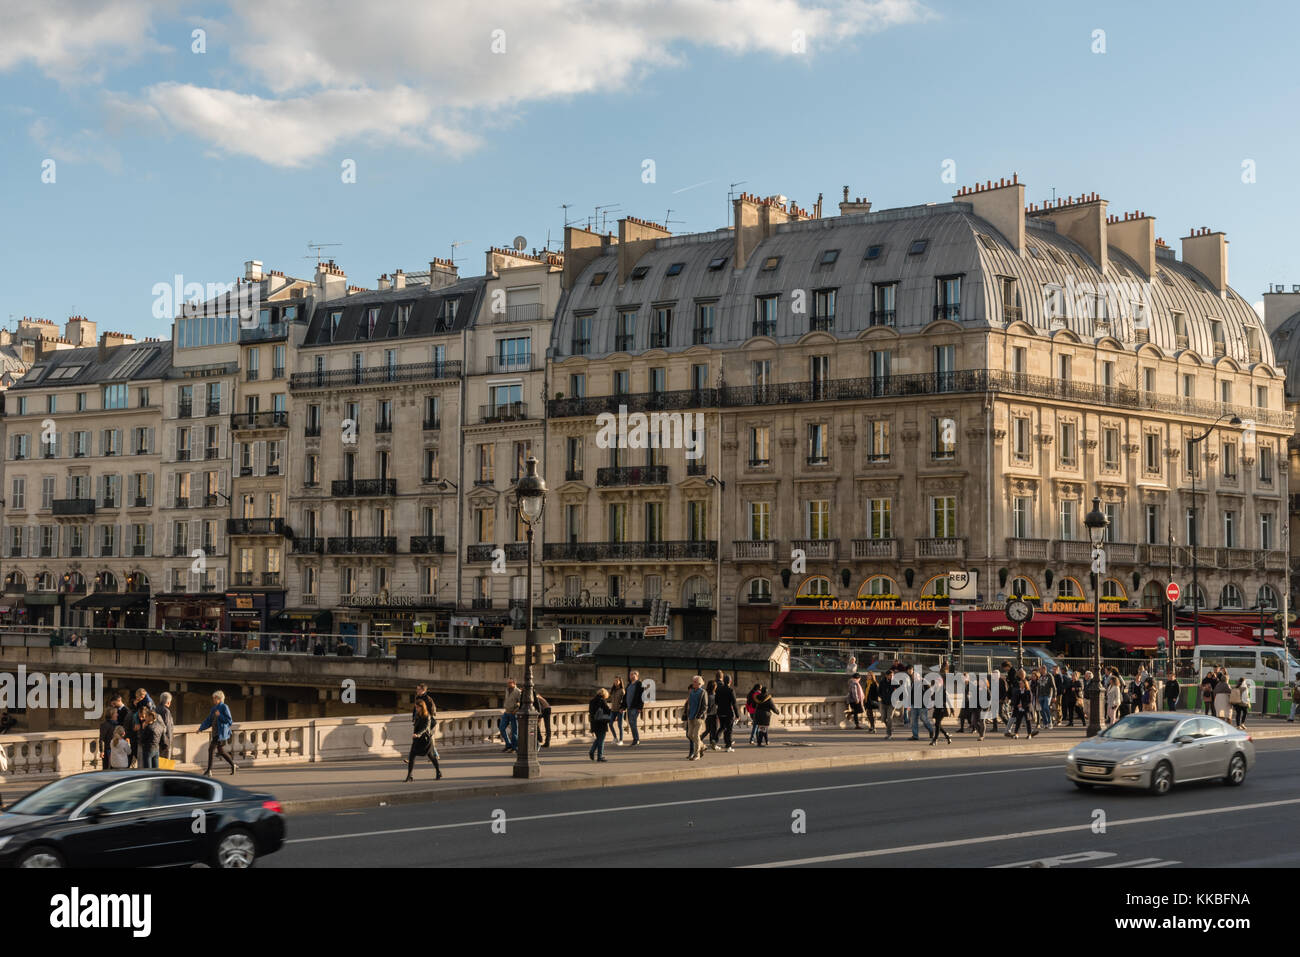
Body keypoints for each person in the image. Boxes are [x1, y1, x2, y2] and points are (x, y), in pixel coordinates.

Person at [198, 690, 237, 776]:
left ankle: (209, 770)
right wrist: (201, 728)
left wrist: (220, 715)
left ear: (218, 698)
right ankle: (233, 765)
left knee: (211, 749)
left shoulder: (224, 707)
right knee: (221, 752)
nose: (213, 699)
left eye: (214, 698)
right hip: (215, 733)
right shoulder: (214, 708)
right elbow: (209, 720)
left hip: (221, 734)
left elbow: (229, 721)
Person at [405, 698, 442, 781]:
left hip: (425, 740)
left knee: (432, 757)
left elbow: (425, 728)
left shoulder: (427, 716)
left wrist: (418, 734)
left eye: (417, 707)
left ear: (422, 707)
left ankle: (438, 772)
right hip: (417, 740)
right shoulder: (418, 715)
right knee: (411, 757)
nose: (416, 709)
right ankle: (409, 775)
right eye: (416, 707)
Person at [904, 666, 935, 741]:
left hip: (922, 705)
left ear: (919, 677)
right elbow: (910, 695)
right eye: (913, 677)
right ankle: (915, 736)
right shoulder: (912, 684)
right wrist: (909, 704)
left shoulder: (924, 683)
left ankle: (931, 730)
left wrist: (931, 702)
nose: (914, 678)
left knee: (924, 719)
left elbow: (931, 692)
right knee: (914, 720)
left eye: (916, 677)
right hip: (914, 705)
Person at [684, 675, 709, 760]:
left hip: (698, 718)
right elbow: (689, 704)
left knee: (696, 735)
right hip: (691, 716)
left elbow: (705, 706)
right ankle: (702, 746)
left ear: (699, 683)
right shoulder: (692, 692)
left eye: (694, 682)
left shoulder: (703, 692)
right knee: (690, 735)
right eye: (693, 681)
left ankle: (696, 755)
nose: (693, 683)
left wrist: (700, 715)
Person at [715, 674, 738, 751]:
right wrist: (737, 715)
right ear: (730, 681)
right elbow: (734, 703)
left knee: (722, 727)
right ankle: (728, 746)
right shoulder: (731, 690)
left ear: (723, 681)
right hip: (728, 712)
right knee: (729, 730)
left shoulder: (718, 690)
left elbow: (716, 702)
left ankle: (715, 740)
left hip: (720, 712)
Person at [929, 670, 953, 746]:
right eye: (936, 682)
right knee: (937, 725)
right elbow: (933, 699)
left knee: (937, 724)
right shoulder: (935, 690)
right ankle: (947, 735)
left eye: (938, 682)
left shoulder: (943, 690)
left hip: (942, 709)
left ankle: (935, 740)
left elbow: (948, 700)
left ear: (941, 683)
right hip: (937, 709)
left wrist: (951, 709)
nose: (937, 684)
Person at [588, 688, 612, 762]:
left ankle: (592, 751)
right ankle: (599, 756)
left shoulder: (592, 701)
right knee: (601, 740)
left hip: (594, 722)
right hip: (601, 723)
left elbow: (590, 712)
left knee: (598, 738)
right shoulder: (602, 701)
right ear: (605, 694)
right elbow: (608, 711)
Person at [499, 678, 521, 752]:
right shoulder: (507, 690)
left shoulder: (518, 692)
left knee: (514, 732)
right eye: (507, 683)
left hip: (513, 713)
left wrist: (515, 710)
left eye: (509, 683)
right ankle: (508, 744)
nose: (508, 684)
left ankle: (514, 747)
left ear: (514, 683)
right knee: (502, 728)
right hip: (506, 712)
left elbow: (521, 703)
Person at [625, 670, 645, 746]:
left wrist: (640, 707)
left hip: (635, 707)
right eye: (630, 675)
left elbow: (642, 697)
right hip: (629, 707)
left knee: (633, 723)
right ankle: (636, 739)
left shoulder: (639, 684)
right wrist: (623, 706)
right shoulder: (629, 685)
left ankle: (636, 739)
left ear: (637, 676)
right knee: (631, 723)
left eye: (633, 675)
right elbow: (625, 697)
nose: (631, 676)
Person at [608, 677, 626, 746]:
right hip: (613, 710)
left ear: (620, 682)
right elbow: (609, 698)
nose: (615, 682)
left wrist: (623, 709)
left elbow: (624, 701)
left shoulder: (622, 690)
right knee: (610, 724)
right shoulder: (613, 690)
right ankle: (615, 738)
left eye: (617, 681)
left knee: (620, 726)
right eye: (614, 681)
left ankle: (621, 740)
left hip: (620, 710)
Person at [157, 692, 175, 761]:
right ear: (168, 702)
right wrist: (169, 742)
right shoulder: (166, 711)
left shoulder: (156, 709)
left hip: (157, 739)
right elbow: (168, 727)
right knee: (165, 761)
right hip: (165, 740)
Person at [704, 679, 719, 749]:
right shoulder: (713, 696)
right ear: (714, 687)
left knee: (708, 730)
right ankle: (713, 743)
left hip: (708, 715)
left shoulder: (707, 694)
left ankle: (709, 742)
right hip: (713, 714)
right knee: (714, 730)